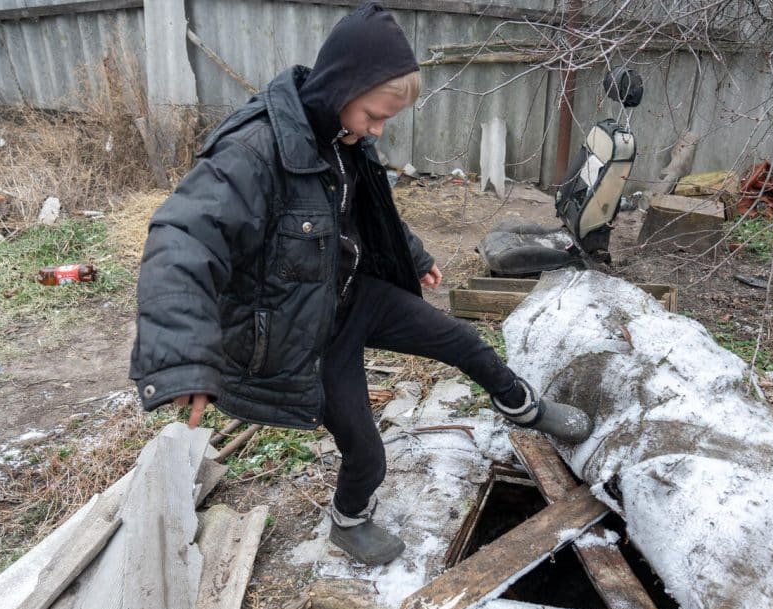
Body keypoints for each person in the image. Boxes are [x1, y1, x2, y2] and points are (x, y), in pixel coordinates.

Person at [130, 1, 593, 566]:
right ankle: (349, 522)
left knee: (465, 343)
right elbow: (182, 239)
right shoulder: (255, 151)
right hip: (308, 332)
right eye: (375, 116)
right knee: (367, 453)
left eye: (384, 121)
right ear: (341, 87)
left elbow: (364, 213)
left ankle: (523, 408)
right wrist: (181, 357)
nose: (377, 130)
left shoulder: (341, 136)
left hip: (352, 295)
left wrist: (414, 254)